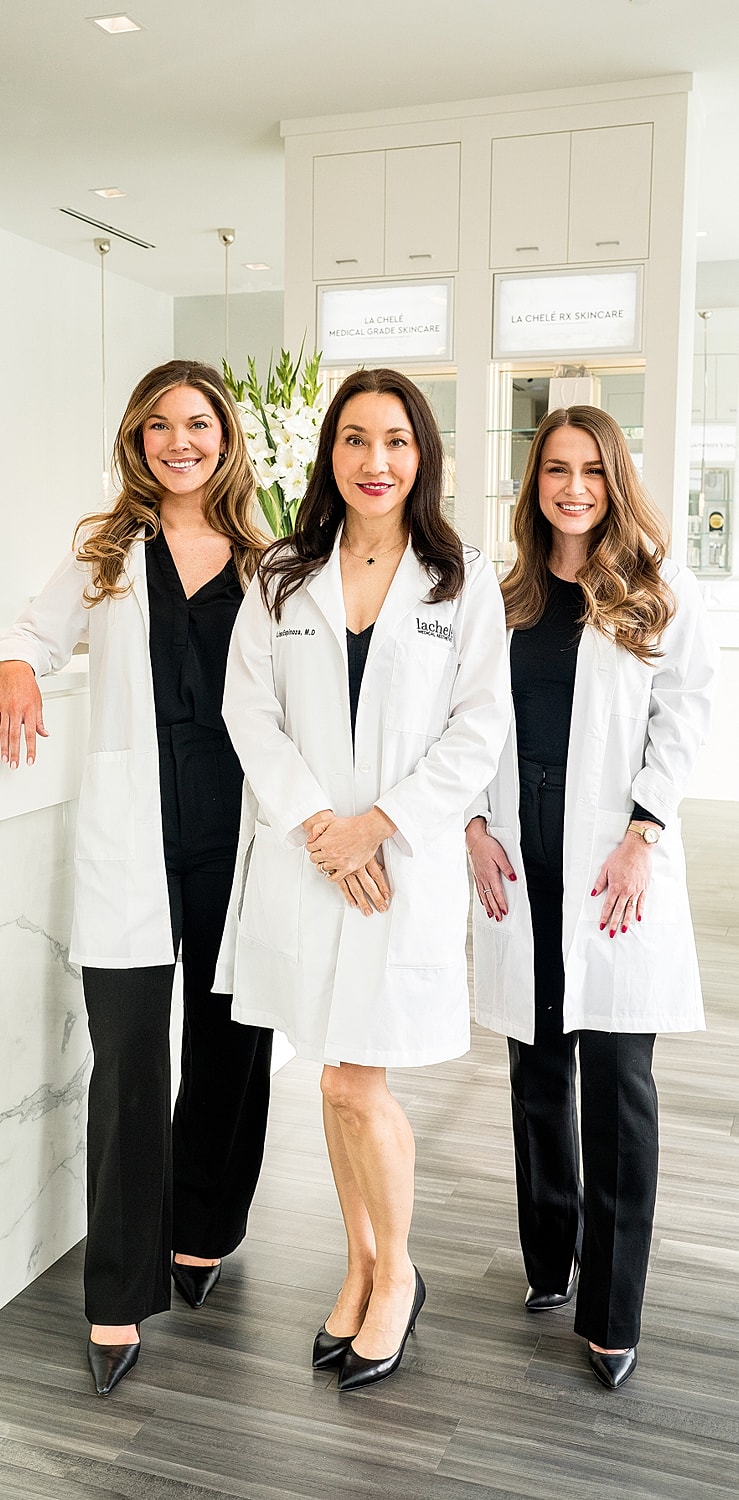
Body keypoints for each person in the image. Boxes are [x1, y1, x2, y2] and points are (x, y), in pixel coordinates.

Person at [217, 367, 511, 1392]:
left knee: (354, 1079)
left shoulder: (460, 577)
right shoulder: (284, 575)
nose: (374, 461)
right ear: (329, 454)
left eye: (394, 441)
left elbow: (480, 726)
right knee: (336, 1079)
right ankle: (361, 1267)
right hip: (311, 861)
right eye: (354, 439)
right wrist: (318, 826)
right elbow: (246, 712)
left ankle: (398, 1280)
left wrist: (377, 827)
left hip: (394, 863)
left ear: (421, 454)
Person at [0, 360, 273, 1396]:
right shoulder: (107, 552)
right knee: (125, 1057)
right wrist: (17, 664)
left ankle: (202, 1230)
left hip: (237, 835)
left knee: (231, 1041)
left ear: (226, 437)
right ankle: (116, 1292)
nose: (179, 441)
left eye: (197, 423)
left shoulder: (270, 560)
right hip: (134, 837)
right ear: (137, 440)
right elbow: (29, 627)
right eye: (160, 425)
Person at [467, 405, 717, 1390]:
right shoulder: (505, 598)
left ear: (616, 481)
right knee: (536, 1078)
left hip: (615, 867)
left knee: (618, 1089)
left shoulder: (657, 592)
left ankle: (611, 1312)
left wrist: (642, 835)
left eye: (591, 472)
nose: (572, 487)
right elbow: (470, 724)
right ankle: (547, 1262)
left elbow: (686, 712)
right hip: (521, 861)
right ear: (533, 483)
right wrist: (472, 830)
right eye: (555, 470)